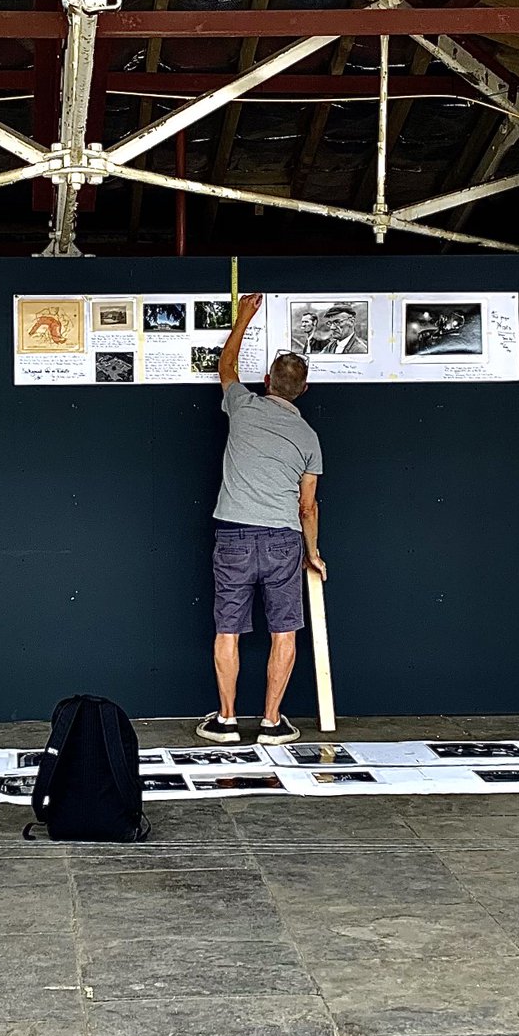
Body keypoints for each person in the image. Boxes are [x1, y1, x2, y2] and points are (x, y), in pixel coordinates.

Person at [197, 291, 325, 746]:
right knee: (283, 631)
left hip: (233, 535)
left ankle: (226, 721)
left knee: (227, 629)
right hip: (283, 540)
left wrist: (243, 318)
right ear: (304, 389)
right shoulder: (309, 437)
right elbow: (307, 506)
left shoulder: (243, 406)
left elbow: (226, 365)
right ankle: (272, 722)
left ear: (268, 379)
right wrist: (313, 553)